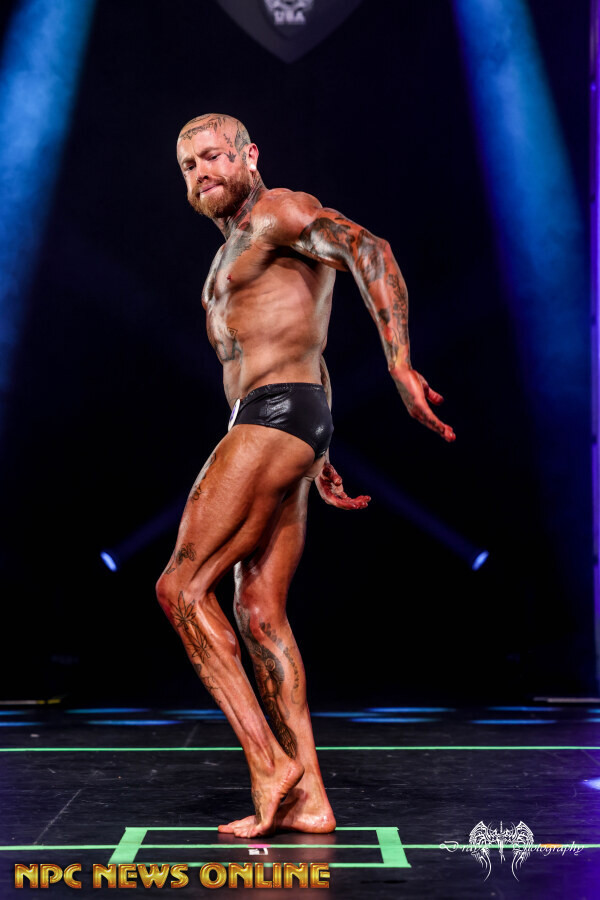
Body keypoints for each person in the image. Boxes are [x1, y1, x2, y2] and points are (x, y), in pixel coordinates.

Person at [156, 113, 455, 839]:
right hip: (288, 419)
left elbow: (369, 248)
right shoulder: (231, 250)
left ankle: (269, 765)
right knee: (259, 610)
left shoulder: (278, 212)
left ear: (249, 155)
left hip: (273, 415)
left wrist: (399, 365)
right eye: (190, 165)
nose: (203, 173)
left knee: (180, 588)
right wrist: (317, 449)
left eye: (215, 156)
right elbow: (302, 341)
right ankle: (311, 798)